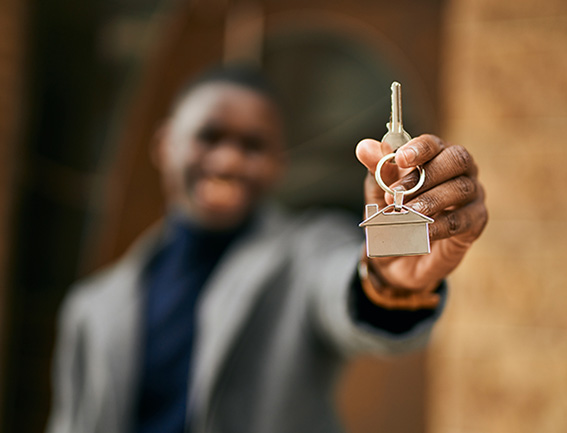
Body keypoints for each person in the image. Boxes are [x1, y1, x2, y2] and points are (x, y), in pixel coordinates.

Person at [46, 65, 487, 433]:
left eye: (252, 146)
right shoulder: (93, 305)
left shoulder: (307, 250)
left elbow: (339, 284)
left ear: (279, 163)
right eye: (210, 137)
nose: (229, 161)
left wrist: (388, 283)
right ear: (166, 145)